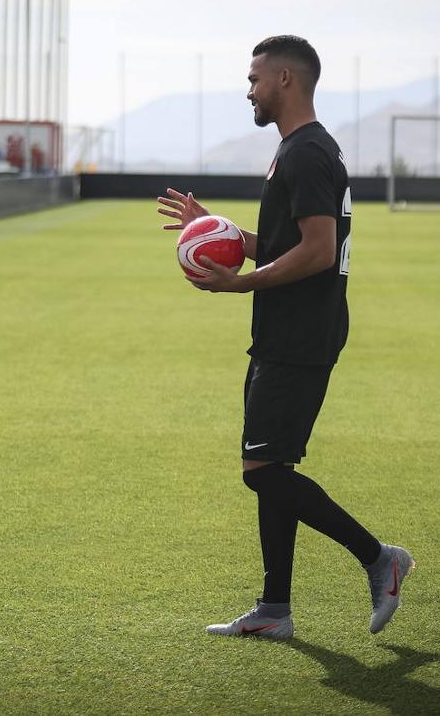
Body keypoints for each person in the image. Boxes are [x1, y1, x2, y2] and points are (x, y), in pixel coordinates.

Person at [156, 35, 413, 639]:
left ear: (286, 81)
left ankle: (380, 559)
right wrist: (215, 229)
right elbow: (288, 244)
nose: (249, 89)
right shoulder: (299, 151)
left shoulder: (305, 154)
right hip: (285, 332)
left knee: (262, 470)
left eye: (255, 78)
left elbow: (319, 252)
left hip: (300, 334)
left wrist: (241, 284)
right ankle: (274, 610)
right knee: (272, 461)